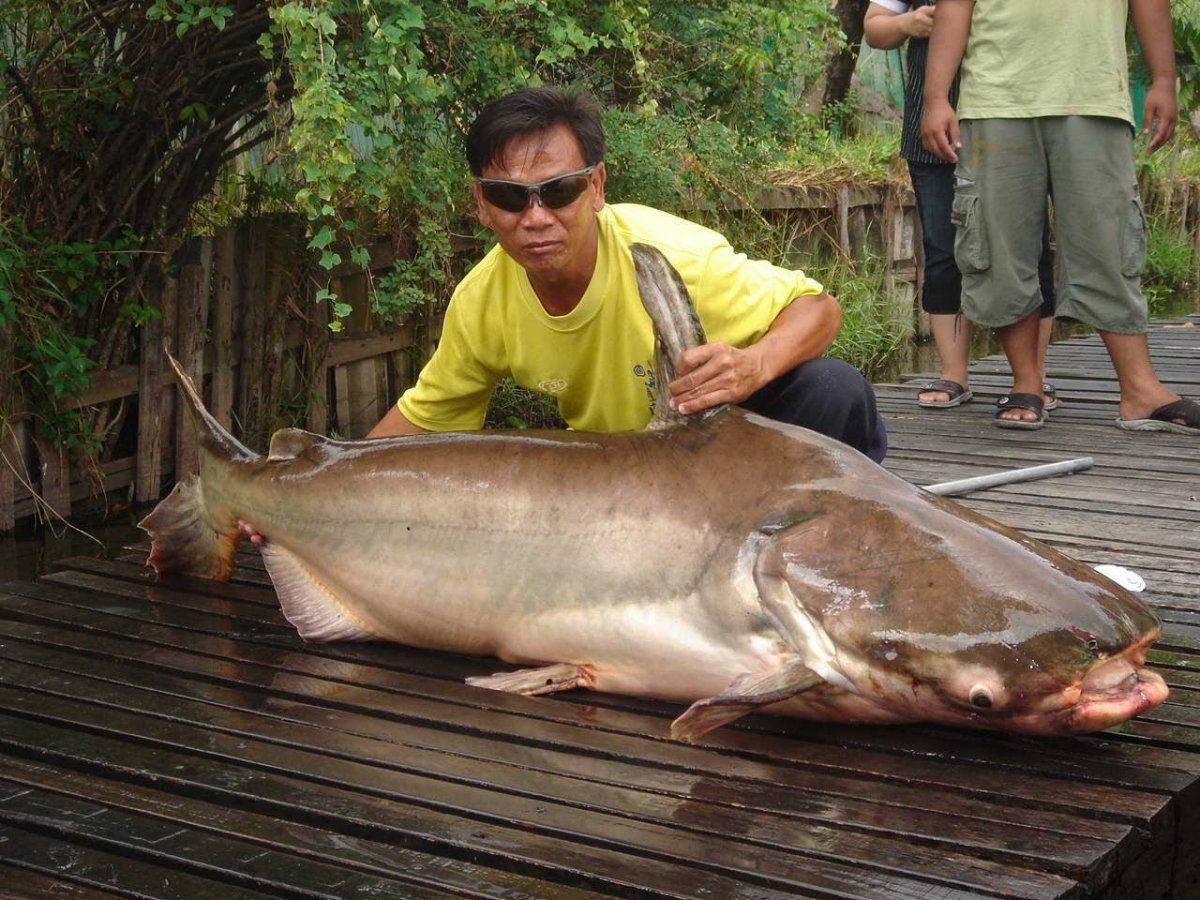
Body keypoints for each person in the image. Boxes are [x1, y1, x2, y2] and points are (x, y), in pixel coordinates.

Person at [368, 86, 889, 460]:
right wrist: (317, 470)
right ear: (481, 203)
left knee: (831, 387)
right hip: (621, 465)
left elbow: (818, 308)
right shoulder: (483, 301)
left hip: (732, 441)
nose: (536, 217)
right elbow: (425, 420)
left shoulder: (671, 256)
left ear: (595, 186)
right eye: (509, 196)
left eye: (558, 190)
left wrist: (753, 364)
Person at [920, 0, 1200, 434]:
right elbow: (955, 5)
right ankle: (1026, 382)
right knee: (1000, 247)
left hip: (1094, 97)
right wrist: (936, 97)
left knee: (1108, 240)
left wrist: (1164, 78)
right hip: (997, 99)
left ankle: (1140, 390)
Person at [864, 0, 1060, 423]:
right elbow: (874, 29)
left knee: (1029, 249)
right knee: (942, 248)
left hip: (1013, 121)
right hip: (933, 130)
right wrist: (908, 22)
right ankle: (953, 373)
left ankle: (1031, 379)